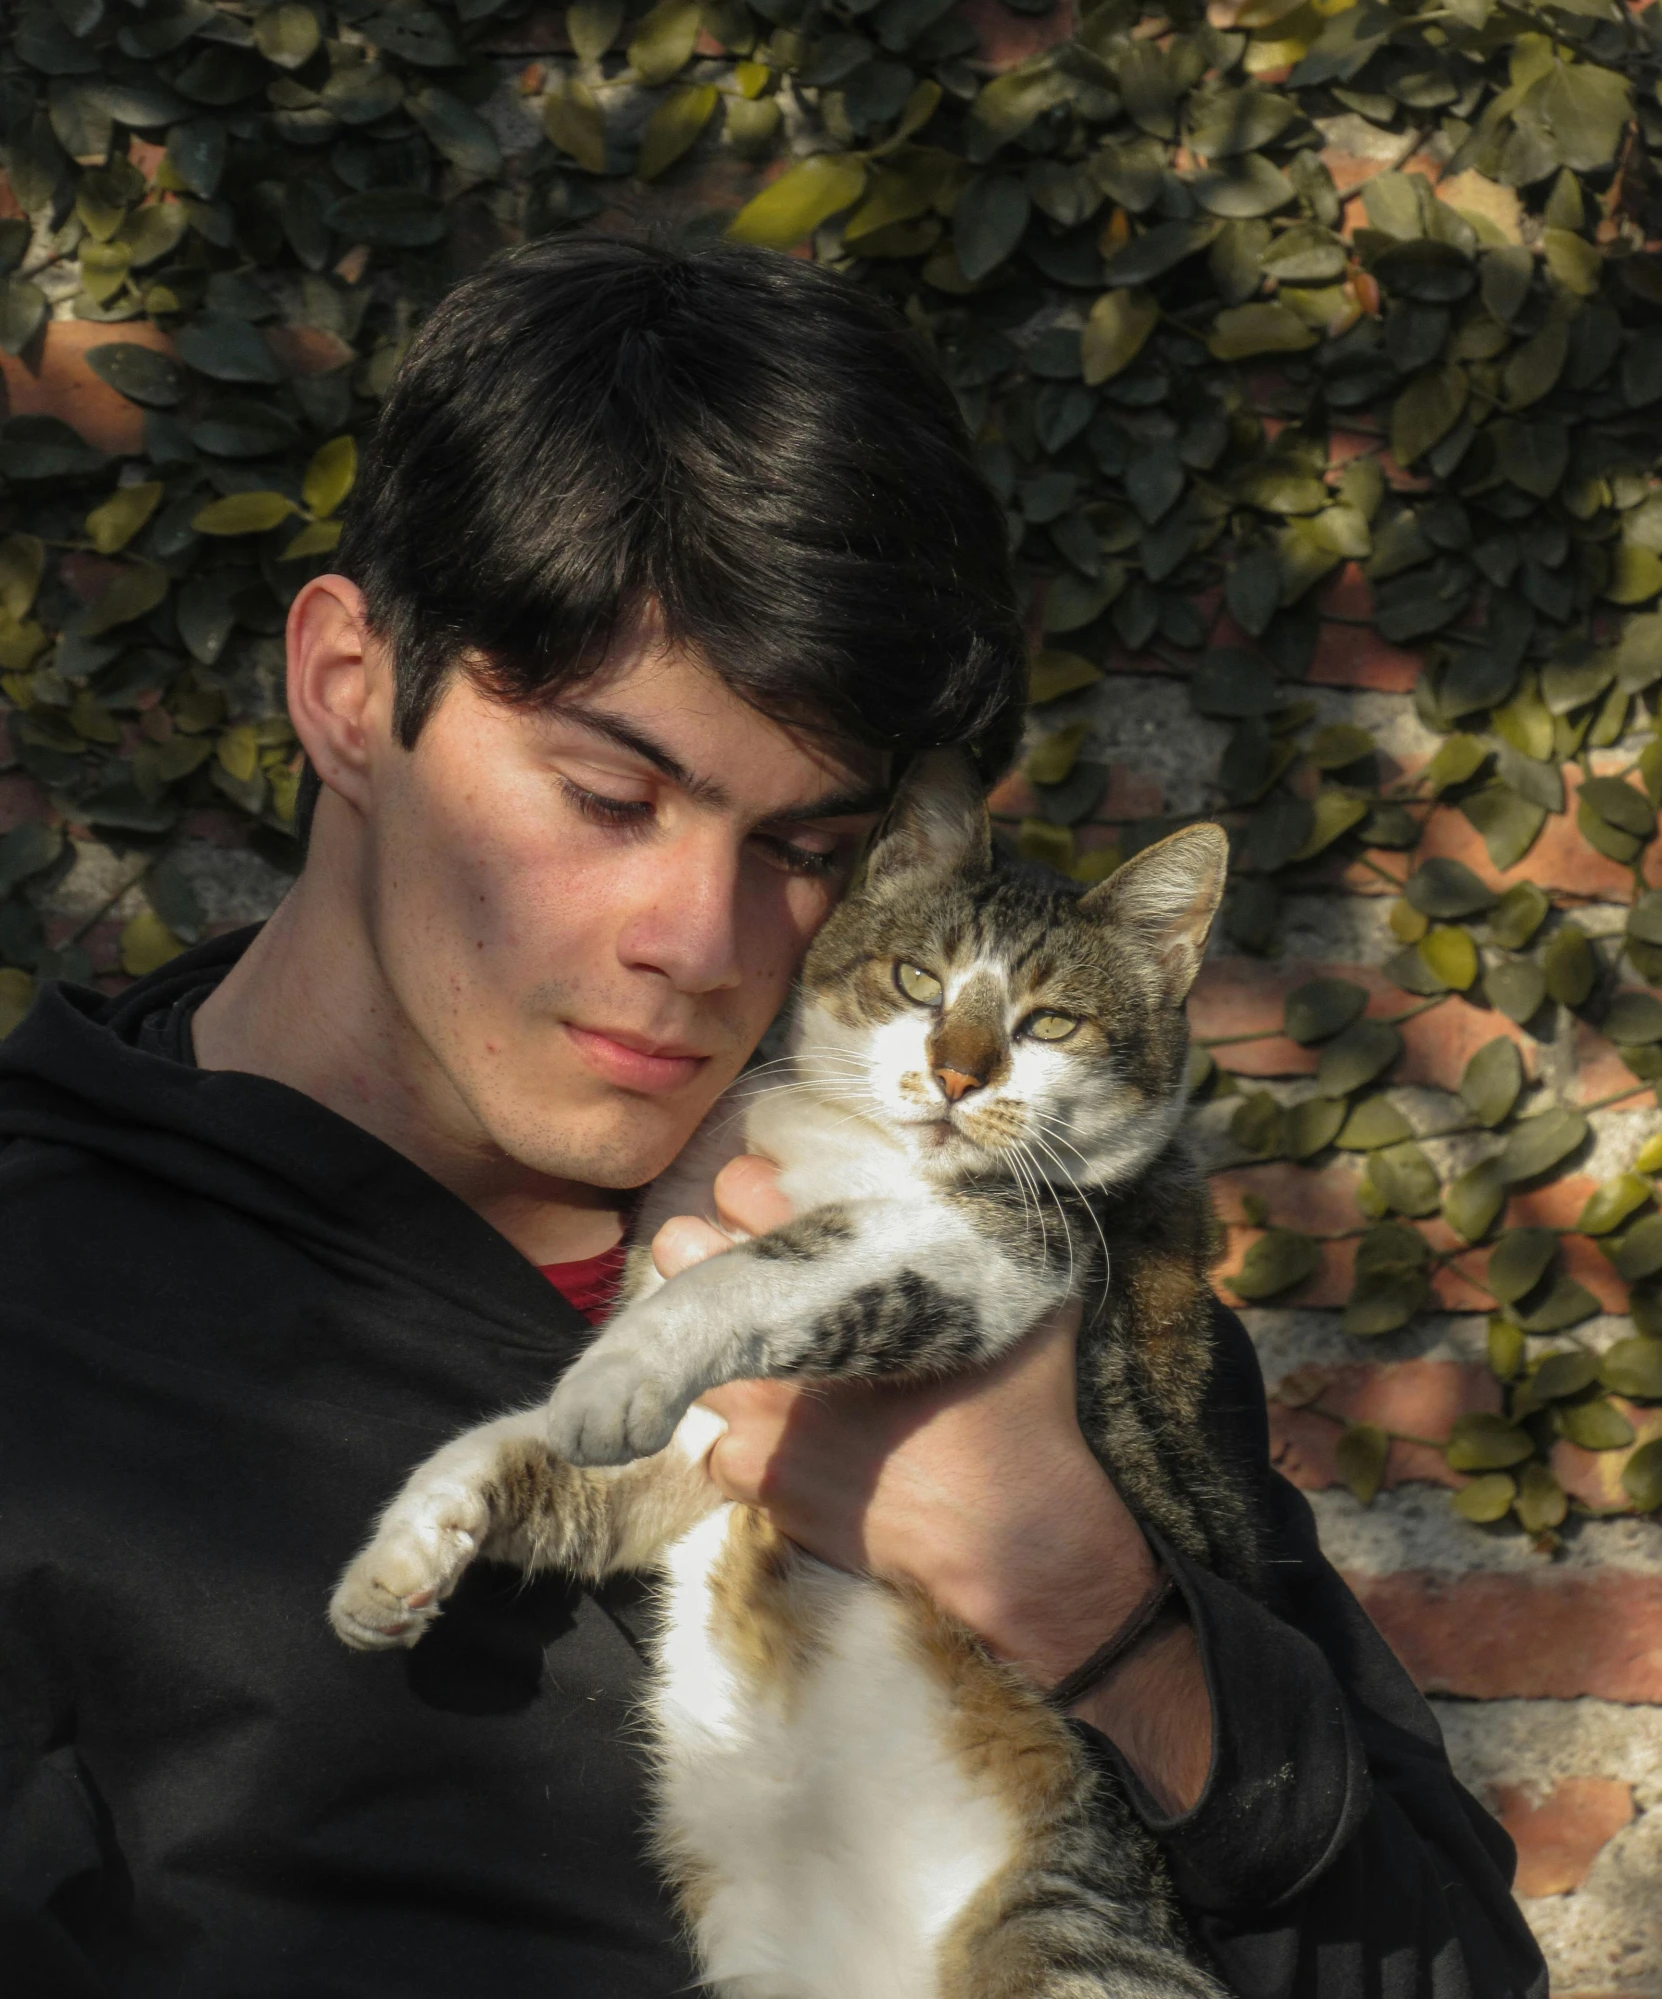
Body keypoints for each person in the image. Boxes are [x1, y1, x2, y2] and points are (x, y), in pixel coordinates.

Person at [0, 237, 1544, 1999]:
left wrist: (1094, 1613)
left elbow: (1454, 1971)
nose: (706, 943)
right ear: (351, 692)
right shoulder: (44, 1336)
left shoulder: (1044, 1278)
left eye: (809, 851)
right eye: (607, 796)